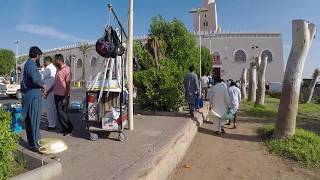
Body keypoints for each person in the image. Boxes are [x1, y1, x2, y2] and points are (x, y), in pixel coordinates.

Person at [21, 46, 46, 152]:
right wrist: (43, 85)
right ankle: (37, 145)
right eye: (39, 56)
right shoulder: (31, 64)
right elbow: (34, 78)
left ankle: (32, 144)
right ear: (37, 55)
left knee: (29, 121)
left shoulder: (27, 64)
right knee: (34, 121)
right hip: (34, 96)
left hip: (28, 95)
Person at [50, 54, 74, 136]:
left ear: (59, 60)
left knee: (62, 113)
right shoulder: (58, 70)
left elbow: (68, 84)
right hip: (56, 94)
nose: (54, 62)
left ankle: (70, 129)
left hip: (63, 95)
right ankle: (64, 129)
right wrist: (49, 90)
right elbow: (55, 83)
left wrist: (66, 98)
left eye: (55, 60)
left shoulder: (67, 69)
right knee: (59, 113)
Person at [42, 56, 58, 130]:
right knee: (52, 108)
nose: (43, 63)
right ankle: (53, 123)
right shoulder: (53, 68)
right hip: (51, 91)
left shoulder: (48, 68)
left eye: (44, 62)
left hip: (48, 92)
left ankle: (52, 125)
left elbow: (41, 77)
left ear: (47, 61)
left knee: (49, 108)